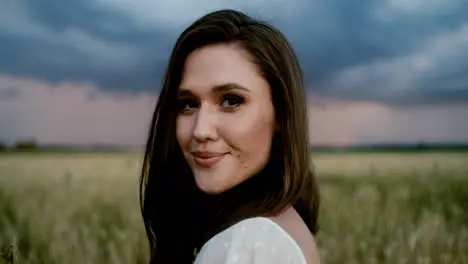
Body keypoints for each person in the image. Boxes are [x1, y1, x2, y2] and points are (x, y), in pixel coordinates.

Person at [139, 8, 321, 264]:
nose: (201, 130)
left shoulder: (246, 244)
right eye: (188, 104)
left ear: (281, 113)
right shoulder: (282, 223)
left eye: (231, 101)